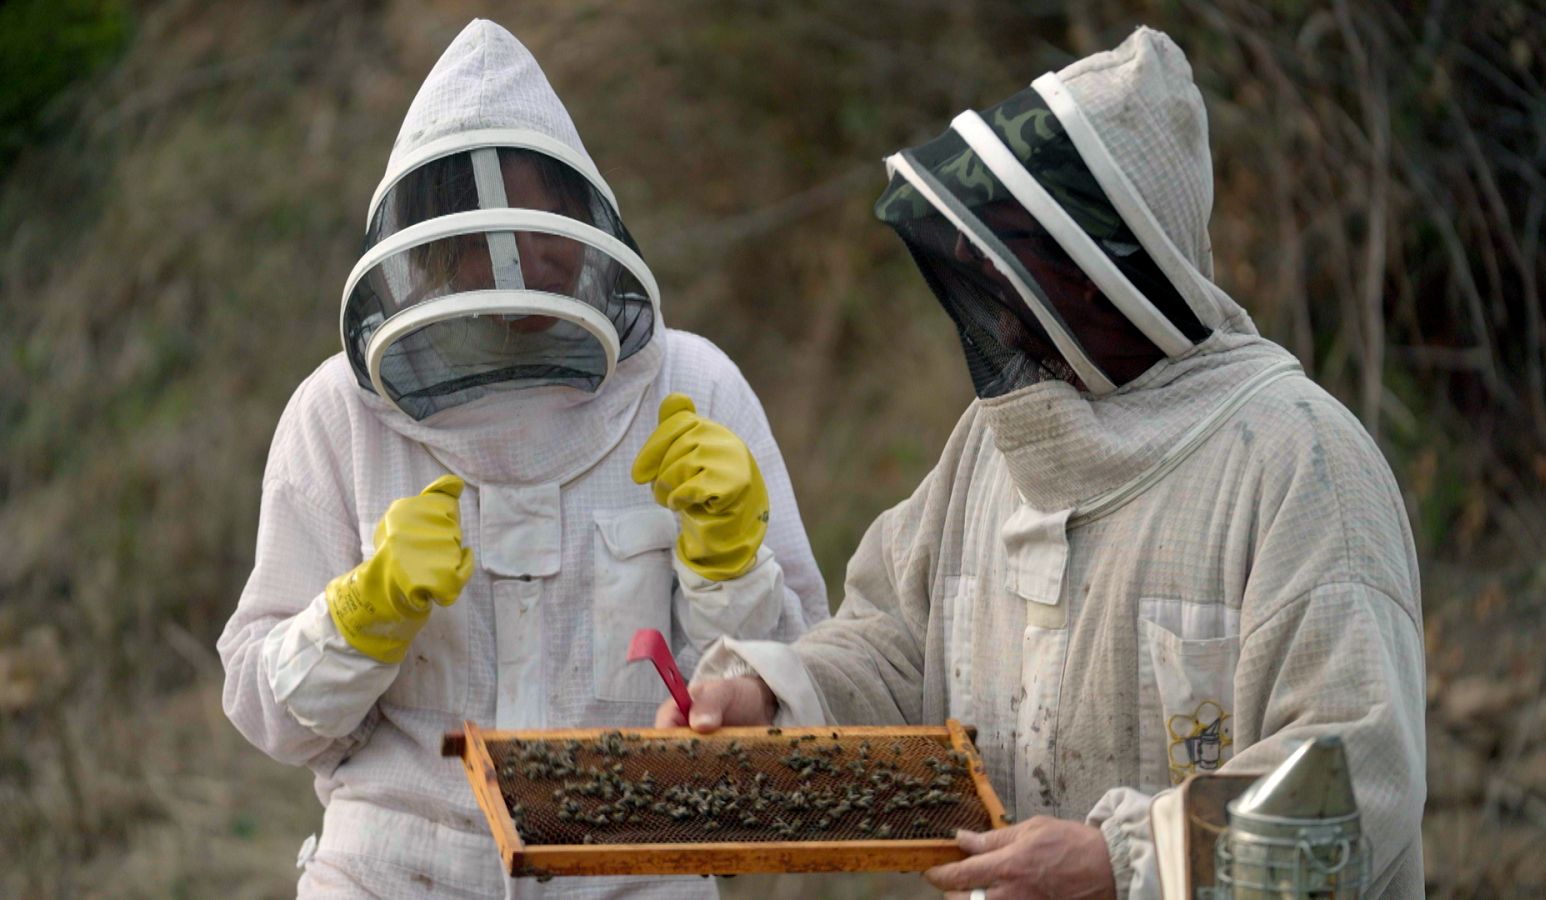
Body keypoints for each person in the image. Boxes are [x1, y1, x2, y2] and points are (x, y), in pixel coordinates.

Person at [661, 27, 1425, 899]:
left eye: (1018, 258)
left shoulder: (1301, 460)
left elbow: (1358, 783)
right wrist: (773, 695)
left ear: (1103, 272)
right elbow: (893, 648)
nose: (993, 292)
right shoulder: (991, 447)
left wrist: (1126, 861)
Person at [217, 19, 827, 898]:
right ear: (428, 241)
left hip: (633, 861)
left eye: (548, 214)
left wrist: (730, 564)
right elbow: (271, 717)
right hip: (396, 865)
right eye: (492, 225)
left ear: (589, 219)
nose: (526, 252)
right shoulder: (340, 411)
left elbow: (790, 691)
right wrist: (358, 618)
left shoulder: (692, 385)